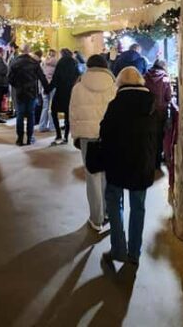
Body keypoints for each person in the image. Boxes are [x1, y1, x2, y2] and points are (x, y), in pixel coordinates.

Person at [100, 67, 157, 266]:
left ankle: (118, 248)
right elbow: (158, 133)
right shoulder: (151, 102)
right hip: (142, 163)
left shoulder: (115, 105)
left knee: (114, 204)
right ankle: (134, 253)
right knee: (138, 207)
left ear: (120, 82)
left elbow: (104, 133)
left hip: (117, 162)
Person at [69, 54, 115, 231]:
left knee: (92, 176)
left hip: (88, 137)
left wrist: (76, 136)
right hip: (108, 136)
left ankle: (96, 219)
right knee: (107, 175)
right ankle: (108, 212)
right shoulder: (113, 85)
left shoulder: (79, 86)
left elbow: (73, 113)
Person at [7, 44, 49, 145]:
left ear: (21, 50)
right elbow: (42, 77)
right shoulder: (34, 62)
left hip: (20, 92)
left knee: (20, 115)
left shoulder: (15, 62)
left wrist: (16, 85)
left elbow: (9, 78)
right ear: (29, 50)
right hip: (31, 92)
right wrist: (47, 88)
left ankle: (20, 139)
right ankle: (30, 138)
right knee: (31, 114)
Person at [49, 48, 81, 146]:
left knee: (53, 111)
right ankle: (66, 137)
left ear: (62, 54)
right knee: (68, 115)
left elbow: (55, 77)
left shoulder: (61, 62)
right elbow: (79, 76)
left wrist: (48, 89)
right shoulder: (75, 62)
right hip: (70, 92)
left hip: (60, 91)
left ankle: (58, 134)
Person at [144, 59, 173, 167]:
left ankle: (149, 160)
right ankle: (157, 161)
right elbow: (168, 97)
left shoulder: (144, 76)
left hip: (147, 112)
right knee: (159, 136)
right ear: (164, 67)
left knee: (149, 136)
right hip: (160, 113)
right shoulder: (165, 78)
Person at [38, 49, 58, 132]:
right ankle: (52, 126)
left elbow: (41, 77)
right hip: (53, 86)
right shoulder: (57, 64)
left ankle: (42, 126)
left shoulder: (43, 63)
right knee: (52, 107)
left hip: (44, 86)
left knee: (45, 107)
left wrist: (40, 88)